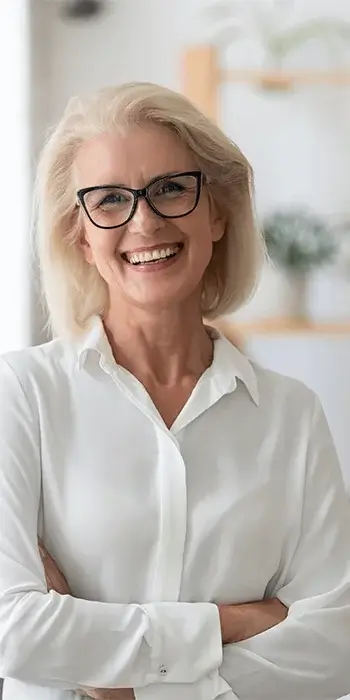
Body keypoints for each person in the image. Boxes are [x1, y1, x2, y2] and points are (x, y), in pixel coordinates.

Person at [0, 82, 349, 700]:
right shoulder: (20, 395)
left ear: (218, 213)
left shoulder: (291, 414)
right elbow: (10, 628)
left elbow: (334, 647)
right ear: (81, 236)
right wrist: (231, 623)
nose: (145, 220)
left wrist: (124, 685)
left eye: (170, 189)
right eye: (110, 199)